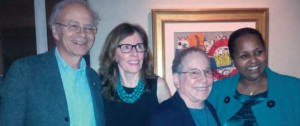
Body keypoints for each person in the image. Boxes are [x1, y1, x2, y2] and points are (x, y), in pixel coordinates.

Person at [0, 0, 105, 126]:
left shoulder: (95, 79)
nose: (82, 33)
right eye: (73, 26)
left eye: (88, 28)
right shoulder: (25, 72)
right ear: (56, 31)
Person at [208, 27, 300, 125]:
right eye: (244, 56)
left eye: (258, 52)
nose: (253, 60)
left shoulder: (294, 88)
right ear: (232, 59)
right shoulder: (215, 92)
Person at [99, 22, 171, 126]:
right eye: (126, 47)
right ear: (113, 54)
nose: (135, 53)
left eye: (139, 47)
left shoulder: (158, 86)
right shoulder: (102, 86)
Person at [147, 47, 220, 126]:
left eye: (207, 71)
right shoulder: (161, 117)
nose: (204, 79)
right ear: (176, 80)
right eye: (194, 73)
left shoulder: (211, 108)